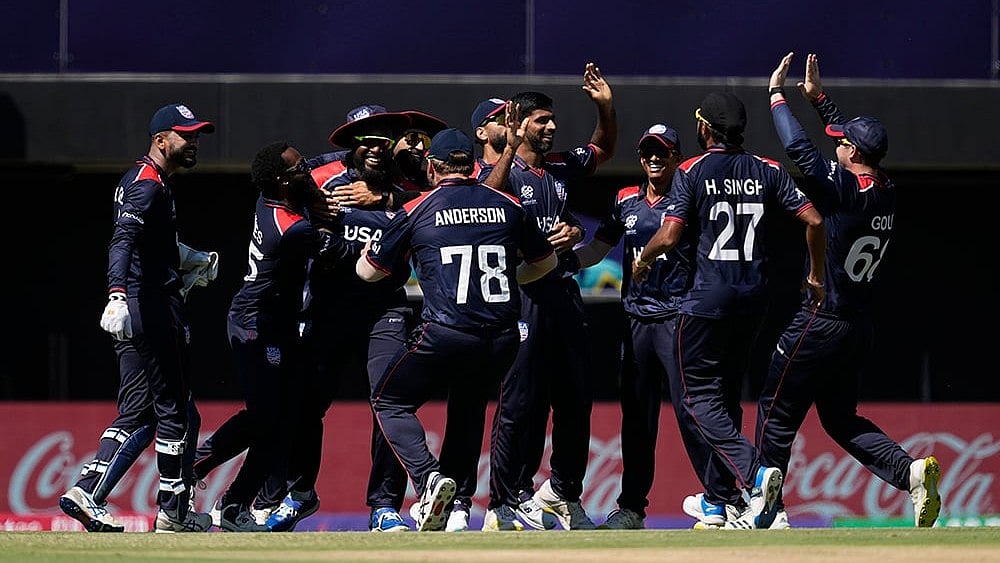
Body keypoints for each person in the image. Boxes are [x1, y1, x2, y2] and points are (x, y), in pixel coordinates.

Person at [757, 52, 941, 528]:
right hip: (858, 326)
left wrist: (777, 97)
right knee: (840, 419)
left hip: (821, 317)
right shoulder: (886, 189)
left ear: (854, 154)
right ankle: (910, 472)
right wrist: (818, 98)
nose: (835, 144)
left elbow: (800, 149)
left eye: (842, 144)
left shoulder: (843, 190)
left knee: (776, 412)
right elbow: (848, 143)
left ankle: (767, 510)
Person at [633, 91, 826, 530]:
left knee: (697, 399)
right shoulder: (769, 170)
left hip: (707, 301)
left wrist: (643, 261)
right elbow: (814, 221)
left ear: (704, 129)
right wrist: (816, 276)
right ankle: (719, 503)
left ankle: (756, 474)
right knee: (726, 396)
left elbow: (669, 236)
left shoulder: (693, 169)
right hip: (754, 300)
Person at [356, 127, 558, 532]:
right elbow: (547, 262)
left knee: (388, 401)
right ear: (472, 165)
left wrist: (366, 254)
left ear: (433, 168)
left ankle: (429, 477)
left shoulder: (418, 207)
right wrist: (509, 278)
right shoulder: (509, 203)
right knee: (467, 411)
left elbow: (369, 273)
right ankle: (457, 508)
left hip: (446, 332)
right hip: (501, 338)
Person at [258, 104, 418, 533]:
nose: (375, 147)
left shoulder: (409, 183)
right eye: (365, 138)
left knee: (389, 401)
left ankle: (384, 507)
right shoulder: (318, 177)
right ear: (349, 141)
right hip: (328, 309)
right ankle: (299, 493)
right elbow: (271, 191)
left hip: (387, 306)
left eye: (384, 138)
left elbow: (454, 195)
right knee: (307, 405)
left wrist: (384, 199)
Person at [59, 103, 216, 533]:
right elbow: (122, 239)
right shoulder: (149, 185)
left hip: (136, 308)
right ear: (162, 139)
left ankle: (88, 490)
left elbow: (148, 246)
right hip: (150, 309)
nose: (195, 143)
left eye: (198, 135)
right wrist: (117, 293)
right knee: (173, 413)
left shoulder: (141, 179)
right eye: (188, 136)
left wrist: (190, 258)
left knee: (144, 413)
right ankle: (173, 510)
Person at [483, 62, 617, 531]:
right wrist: (512, 146)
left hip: (563, 293)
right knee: (520, 402)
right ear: (520, 122)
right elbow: (484, 202)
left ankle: (563, 493)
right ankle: (504, 500)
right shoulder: (499, 170)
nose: (552, 126)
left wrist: (605, 108)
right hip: (520, 297)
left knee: (576, 398)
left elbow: (602, 148)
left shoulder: (559, 166)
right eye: (542, 120)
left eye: (552, 119)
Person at [192, 141, 350, 532]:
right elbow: (340, 250)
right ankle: (191, 468)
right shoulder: (292, 229)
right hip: (256, 326)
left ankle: (232, 506)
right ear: (283, 181)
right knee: (269, 418)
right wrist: (337, 212)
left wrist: (342, 164)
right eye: (299, 169)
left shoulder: (271, 198)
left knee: (283, 419)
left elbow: (310, 177)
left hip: (275, 326)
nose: (308, 173)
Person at [574, 124, 691, 529]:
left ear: (677, 156)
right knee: (637, 419)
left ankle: (723, 501)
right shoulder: (625, 200)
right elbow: (596, 250)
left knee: (695, 413)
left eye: (662, 151)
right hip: (637, 322)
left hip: (678, 319)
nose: (654, 158)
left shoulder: (689, 198)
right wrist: (560, 260)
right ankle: (631, 508)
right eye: (647, 151)